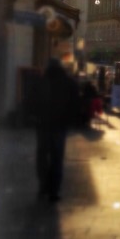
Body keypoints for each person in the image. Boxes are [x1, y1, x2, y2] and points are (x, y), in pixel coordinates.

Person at [34, 59, 80, 201]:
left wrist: (32, 117)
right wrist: (71, 120)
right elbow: (75, 103)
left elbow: (30, 101)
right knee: (57, 158)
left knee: (42, 156)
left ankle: (43, 186)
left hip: (43, 125)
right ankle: (54, 190)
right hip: (60, 125)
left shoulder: (41, 81)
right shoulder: (68, 82)